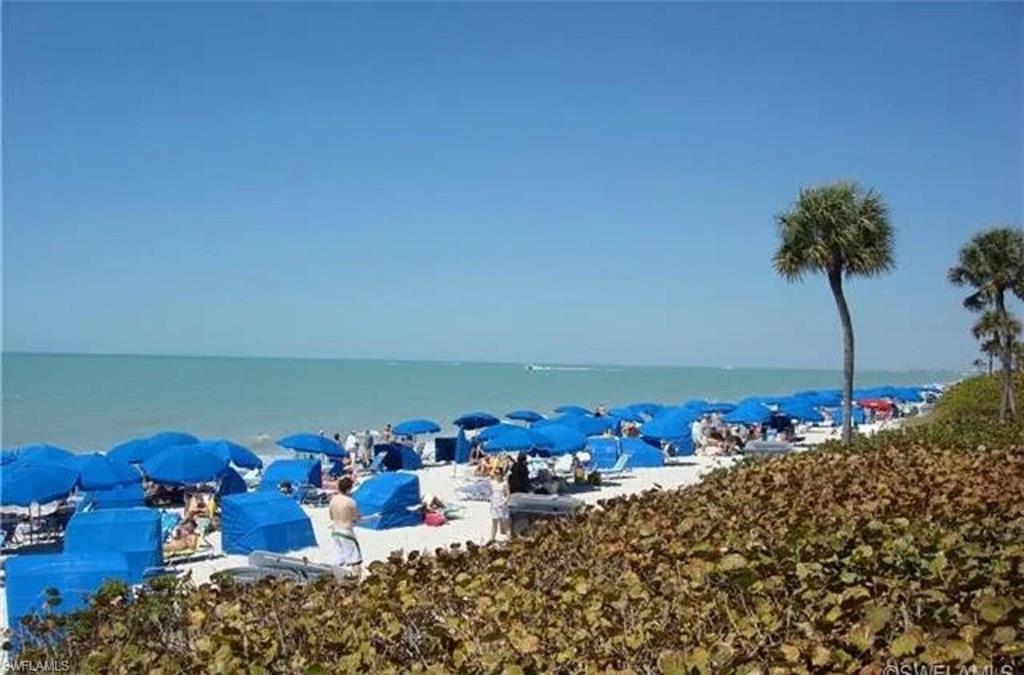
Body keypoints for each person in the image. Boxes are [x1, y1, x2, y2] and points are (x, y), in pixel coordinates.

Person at [328, 476, 362, 576]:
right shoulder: (351, 502)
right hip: (346, 532)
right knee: (355, 561)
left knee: (340, 560)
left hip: (335, 531)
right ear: (348, 489)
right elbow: (355, 518)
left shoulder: (333, 500)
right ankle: (357, 581)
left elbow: (331, 517)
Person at [489, 465, 511, 542]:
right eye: (496, 473)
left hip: (502, 505)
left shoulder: (505, 484)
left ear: (501, 474)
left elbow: (508, 495)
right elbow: (491, 493)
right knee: (494, 522)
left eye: (498, 473)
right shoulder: (492, 483)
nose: (497, 475)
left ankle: (509, 539)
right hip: (494, 504)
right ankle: (492, 538)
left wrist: (504, 502)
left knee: (505, 524)